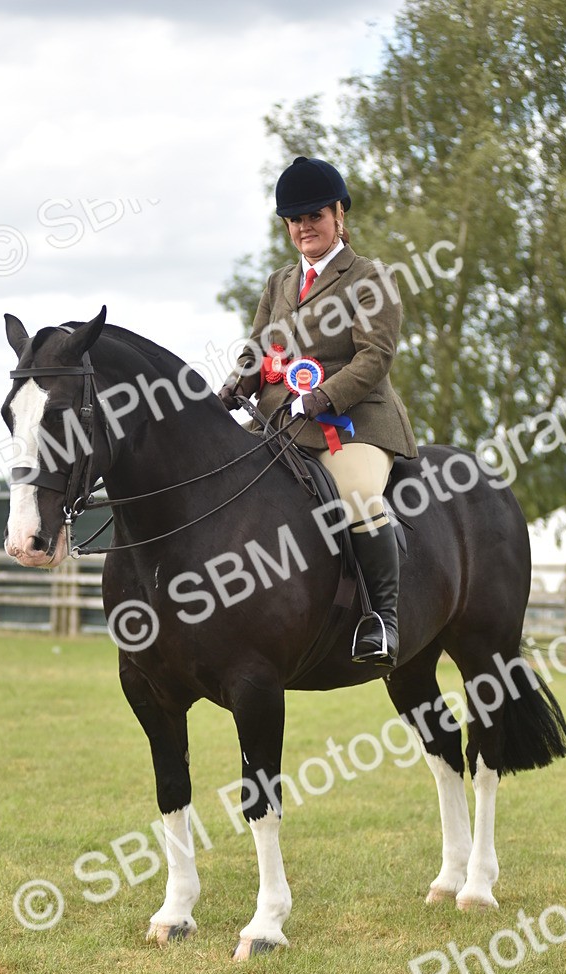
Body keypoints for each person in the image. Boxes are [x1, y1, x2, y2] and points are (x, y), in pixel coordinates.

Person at [219, 155, 417, 667]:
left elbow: (375, 357)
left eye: (315, 217)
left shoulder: (370, 278)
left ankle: (383, 622)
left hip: (353, 423)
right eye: (296, 220)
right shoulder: (279, 283)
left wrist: (322, 396)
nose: (305, 227)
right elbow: (259, 348)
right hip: (281, 422)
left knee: (356, 496)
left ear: (338, 217)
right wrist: (235, 382)